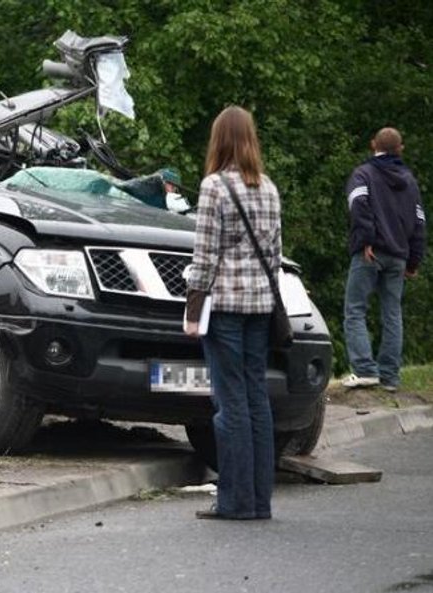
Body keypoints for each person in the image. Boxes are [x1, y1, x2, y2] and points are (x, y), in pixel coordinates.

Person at [185, 106, 280, 520]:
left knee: (230, 405)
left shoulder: (214, 187)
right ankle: (260, 500)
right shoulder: (269, 188)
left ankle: (234, 500)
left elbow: (205, 257)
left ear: (218, 139)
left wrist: (193, 309)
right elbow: (274, 258)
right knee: (256, 399)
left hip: (223, 306)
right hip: (260, 306)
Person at [341, 128, 426, 392]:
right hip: (399, 255)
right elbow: (419, 223)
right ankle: (390, 376)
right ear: (400, 148)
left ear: (372, 145)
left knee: (355, 309)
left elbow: (359, 207)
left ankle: (365, 370)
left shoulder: (363, 174)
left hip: (371, 251)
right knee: (392, 313)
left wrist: (366, 239)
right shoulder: (409, 181)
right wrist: (413, 261)